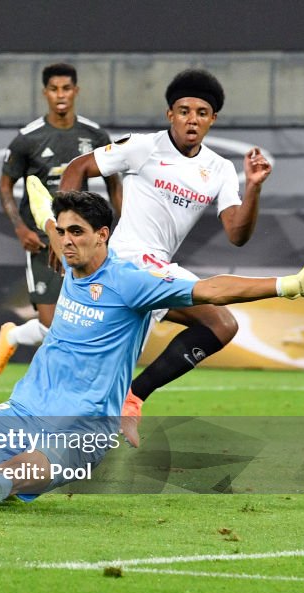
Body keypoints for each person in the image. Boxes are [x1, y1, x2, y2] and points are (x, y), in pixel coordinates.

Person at [0, 190, 304, 512]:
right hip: (23, 410)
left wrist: (291, 285)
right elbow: (49, 217)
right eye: (60, 232)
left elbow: (214, 290)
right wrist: (44, 203)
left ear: (103, 235)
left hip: (82, 431)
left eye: (76, 232)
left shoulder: (132, 281)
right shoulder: (69, 254)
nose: (65, 240)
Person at [59, 68, 274, 446]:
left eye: (201, 112)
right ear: (169, 114)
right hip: (124, 263)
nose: (192, 119)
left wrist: (253, 188)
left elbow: (237, 234)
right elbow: (78, 168)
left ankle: (130, 399)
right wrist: (68, 231)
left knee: (220, 325)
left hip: (156, 270)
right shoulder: (144, 147)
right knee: (218, 322)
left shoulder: (221, 170)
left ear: (212, 120)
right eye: (184, 110)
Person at [0, 62, 123, 378]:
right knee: (53, 325)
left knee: (83, 321)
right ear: (45, 93)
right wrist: (21, 228)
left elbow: (115, 184)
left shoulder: (94, 135)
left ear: (76, 91)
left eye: (66, 88)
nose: (60, 95)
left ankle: (25, 345)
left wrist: (121, 228)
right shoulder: (28, 139)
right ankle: (19, 339)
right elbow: (6, 187)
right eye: (54, 89)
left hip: (83, 242)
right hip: (42, 240)